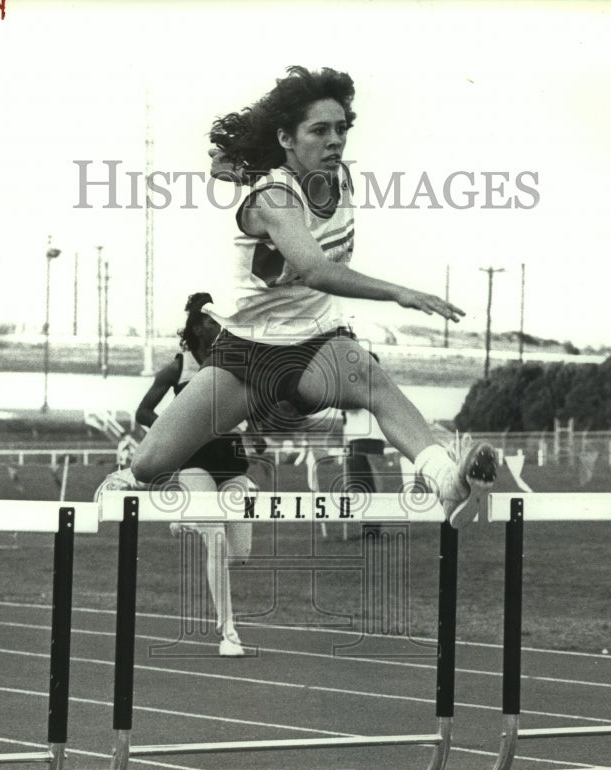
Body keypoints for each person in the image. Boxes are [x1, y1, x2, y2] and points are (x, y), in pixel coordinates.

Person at [99, 65, 496, 529]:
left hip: (317, 344)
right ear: (288, 138)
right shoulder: (273, 197)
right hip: (247, 354)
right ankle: (129, 476)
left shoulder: (339, 178)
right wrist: (400, 292)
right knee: (150, 464)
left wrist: (243, 166)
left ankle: (447, 480)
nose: (335, 140)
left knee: (372, 381)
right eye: (320, 130)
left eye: (341, 129)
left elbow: (236, 170)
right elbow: (314, 269)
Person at [100, 293, 256, 657]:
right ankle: (228, 632)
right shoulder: (178, 368)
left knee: (240, 555)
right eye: (214, 321)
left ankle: (190, 520)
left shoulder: (233, 361)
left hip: (232, 461)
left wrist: (257, 429)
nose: (221, 327)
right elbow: (143, 412)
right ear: (199, 325)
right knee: (215, 539)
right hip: (195, 460)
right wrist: (175, 435)